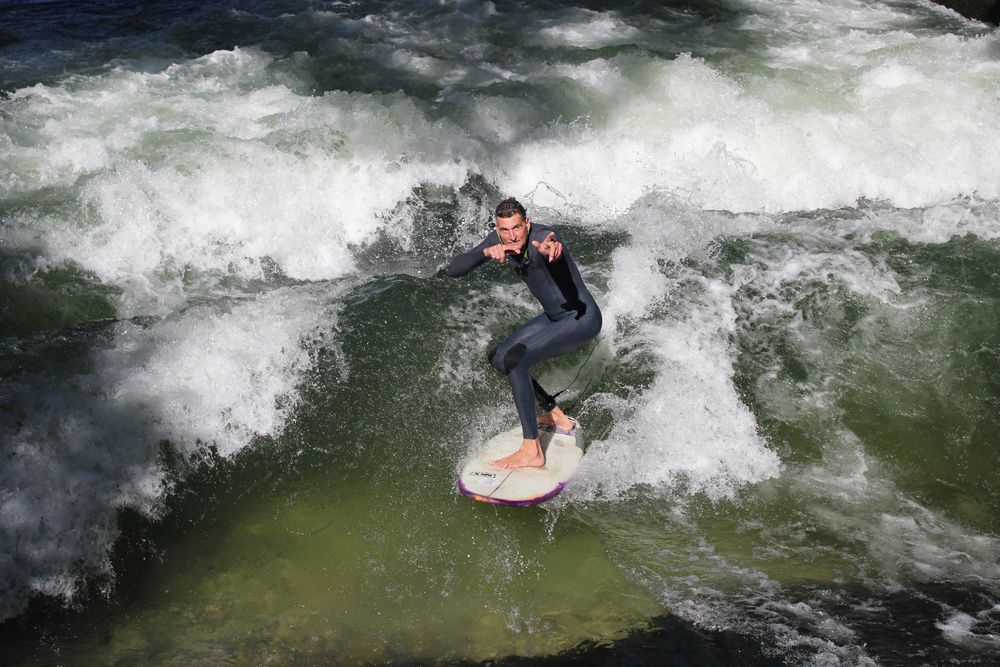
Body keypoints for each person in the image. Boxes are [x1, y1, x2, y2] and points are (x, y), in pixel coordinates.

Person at [447, 198, 602, 469]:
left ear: (527, 223)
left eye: (517, 228)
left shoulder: (541, 238)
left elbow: (552, 247)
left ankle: (532, 450)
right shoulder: (499, 239)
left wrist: (549, 249)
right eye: (505, 230)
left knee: (516, 360)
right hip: (555, 318)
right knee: (498, 357)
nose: (512, 236)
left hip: (582, 318)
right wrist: (486, 252)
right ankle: (554, 414)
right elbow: (454, 270)